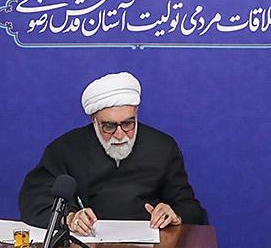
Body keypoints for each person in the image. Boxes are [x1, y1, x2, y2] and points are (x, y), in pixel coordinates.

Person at [18, 71, 206, 234]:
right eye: (109, 126)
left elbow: (190, 208)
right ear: (94, 120)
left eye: (128, 124)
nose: (119, 134)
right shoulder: (66, 148)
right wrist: (69, 218)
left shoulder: (163, 147)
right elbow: (34, 201)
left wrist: (174, 214)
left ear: (137, 114)